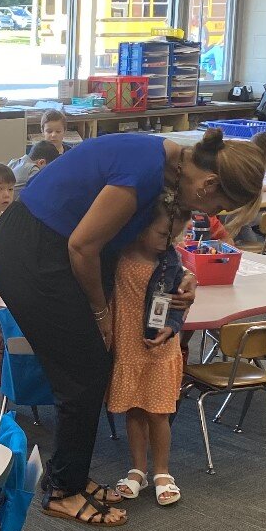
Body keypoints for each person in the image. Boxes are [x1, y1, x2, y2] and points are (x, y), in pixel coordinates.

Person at [0, 129, 266, 528]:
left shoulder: (168, 169)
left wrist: (182, 274)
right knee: (82, 373)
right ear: (208, 184)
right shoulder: (144, 171)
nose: (212, 215)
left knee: (91, 367)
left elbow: (136, 242)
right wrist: (101, 313)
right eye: (219, 205)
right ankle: (63, 493)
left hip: (54, 246)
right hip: (31, 251)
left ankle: (69, 477)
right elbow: (82, 246)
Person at [107, 199, 188, 508]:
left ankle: (162, 471)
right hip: (128, 346)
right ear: (141, 228)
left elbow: (181, 300)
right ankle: (137, 467)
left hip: (157, 348)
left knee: (158, 412)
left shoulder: (170, 263)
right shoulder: (118, 255)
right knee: (134, 410)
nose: (168, 242)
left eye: (173, 237)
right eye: (162, 234)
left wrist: (171, 327)